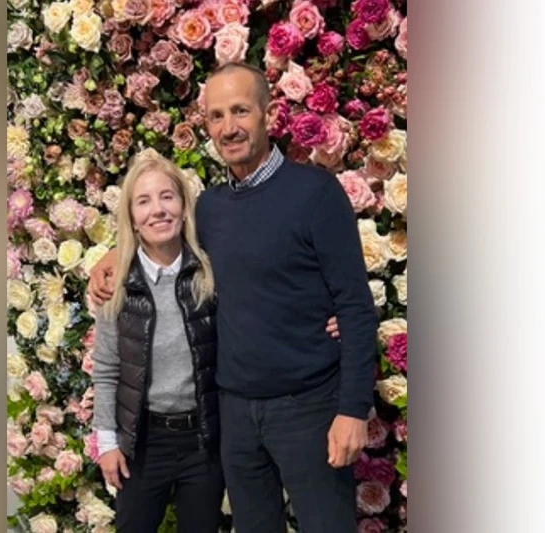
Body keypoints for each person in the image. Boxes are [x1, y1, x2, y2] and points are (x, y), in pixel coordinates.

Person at [90, 62, 378, 533]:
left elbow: (354, 306)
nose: (229, 128)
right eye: (217, 116)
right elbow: (158, 234)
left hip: (307, 408)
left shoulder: (315, 193)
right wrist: (108, 259)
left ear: (268, 114)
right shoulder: (210, 208)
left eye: (240, 111)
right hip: (234, 414)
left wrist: (351, 409)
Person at [90, 153, 224, 533]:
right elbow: (106, 369)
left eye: (167, 197)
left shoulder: (209, 275)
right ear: (132, 217)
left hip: (203, 441)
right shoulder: (117, 286)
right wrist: (107, 442)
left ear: (183, 207)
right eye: (144, 201)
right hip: (144, 443)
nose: (158, 210)